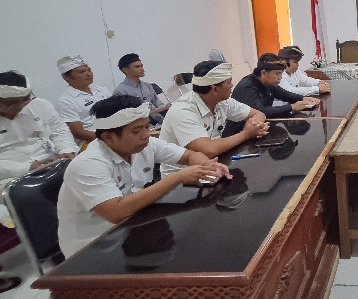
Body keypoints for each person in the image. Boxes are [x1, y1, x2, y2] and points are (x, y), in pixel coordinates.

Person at [57, 95, 232, 257]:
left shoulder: (146, 144)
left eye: (147, 126)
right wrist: (177, 177)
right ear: (109, 137)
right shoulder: (88, 164)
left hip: (134, 224)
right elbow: (115, 212)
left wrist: (208, 166)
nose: (146, 134)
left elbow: (190, 155)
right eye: (136, 131)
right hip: (95, 246)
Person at [159, 61, 268, 174]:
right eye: (229, 82)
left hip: (214, 165)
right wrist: (246, 134)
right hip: (182, 176)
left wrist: (255, 125)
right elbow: (209, 150)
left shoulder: (222, 101)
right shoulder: (182, 111)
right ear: (215, 89)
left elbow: (258, 114)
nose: (232, 85)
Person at [1, 71, 78, 227]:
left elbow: (59, 131)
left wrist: (66, 150)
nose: (19, 108)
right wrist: (29, 167)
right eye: (11, 103)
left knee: (83, 173)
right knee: (29, 194)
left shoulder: (40, 105)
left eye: (24, 101)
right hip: (9, 176)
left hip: (49, 161)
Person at [230, 53, 319, 126]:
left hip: (259, 128)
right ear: (264, 73)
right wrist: (292, 107)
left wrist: (303, 99)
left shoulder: (268, 83)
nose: (280, 78)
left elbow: (284, 94)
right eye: (277, 74)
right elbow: (260, 111)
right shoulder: (248, 86)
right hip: (239, 132)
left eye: (281, 74)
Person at [56, 55, 111, 148]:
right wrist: (108, 139)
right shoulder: (65, 101)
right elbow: (78, 133)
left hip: (114, 134)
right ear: (66, 77)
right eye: (81, 72)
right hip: (90, 142)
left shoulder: (102, 90)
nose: (88, 74)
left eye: (89, 70)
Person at [113, 53, 171, 125]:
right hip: (140, 126)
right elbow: (128, 116)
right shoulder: (120, 91)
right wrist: (159, 110)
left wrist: (166, 108)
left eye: (141, 66)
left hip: (159, 121)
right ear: (125, 70)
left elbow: (158, 104)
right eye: (137, 67)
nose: (141, 69)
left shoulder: (147, 86)